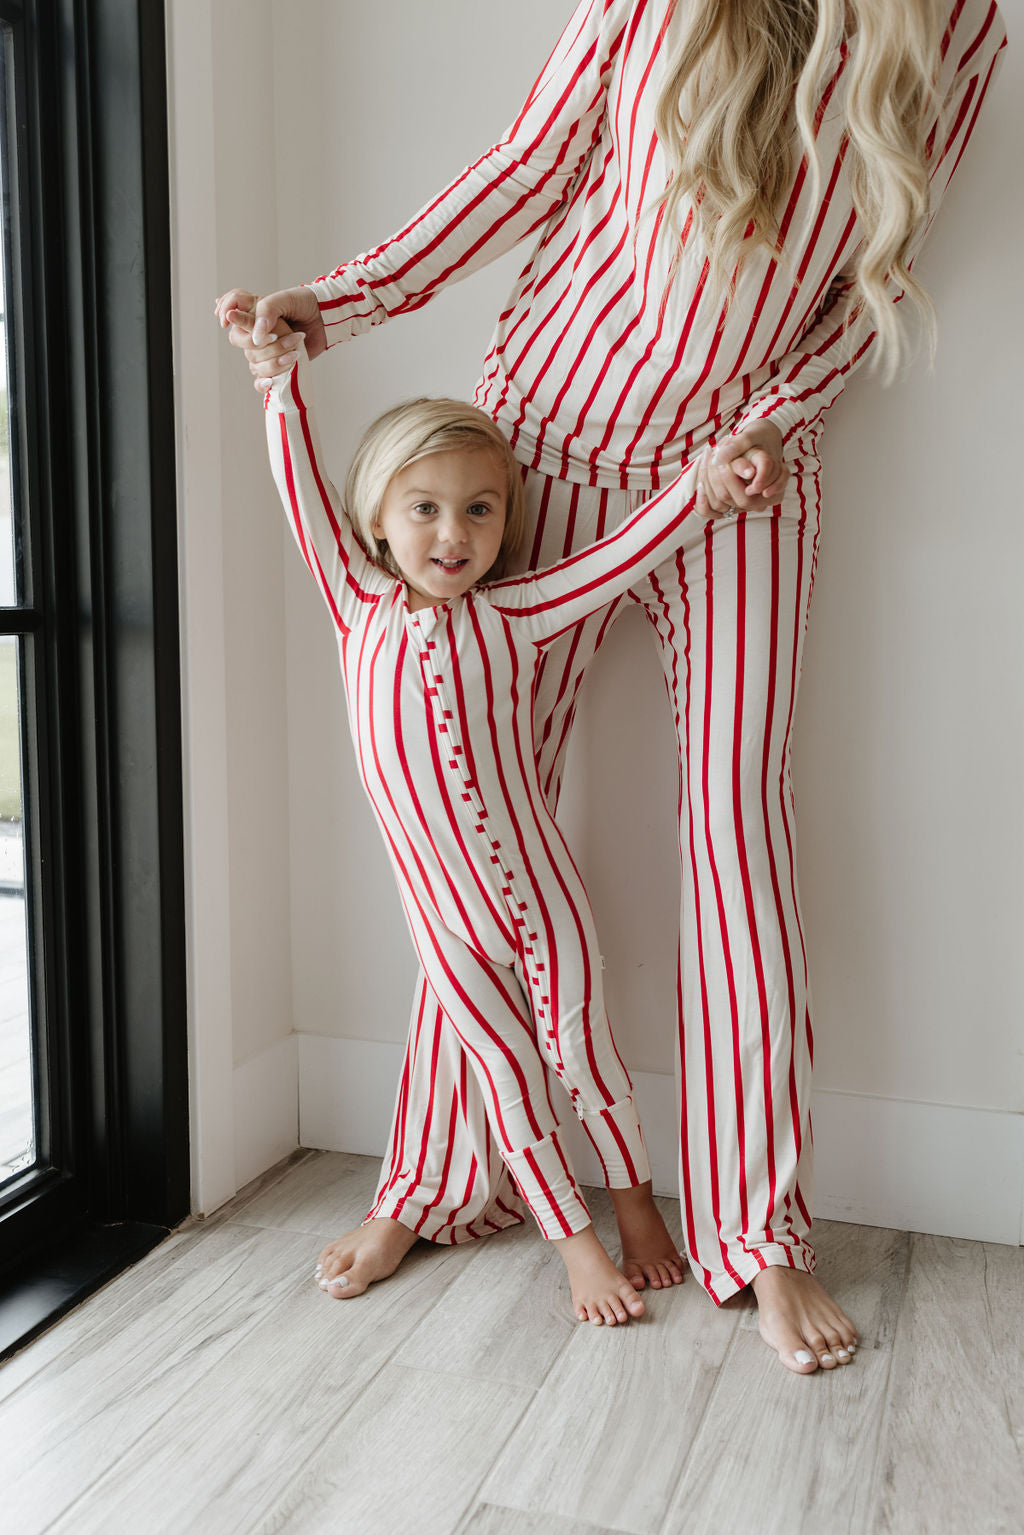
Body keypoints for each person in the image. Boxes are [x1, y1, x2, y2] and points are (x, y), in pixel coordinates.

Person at [216, 0, 1005, 1373]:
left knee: (737, 827)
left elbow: (872, 278)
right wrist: (344, 302)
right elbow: (528, 164)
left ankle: (758, 1235)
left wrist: (771, 423)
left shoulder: (964, 23)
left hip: (747, 480)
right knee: (477, 822)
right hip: (549, 437)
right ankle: (435, 1175)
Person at [241, 324, 736, 1323]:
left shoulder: (516, 612)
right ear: (378, 519)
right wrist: (275, 381)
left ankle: (638, 1204)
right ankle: (576, 1248)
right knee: (509, 1075)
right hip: (445, 921)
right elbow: (298, 492)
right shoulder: (355, 603)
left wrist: (706, 488)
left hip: (546, 896)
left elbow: (618, 555)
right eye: (422, 509)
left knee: (584, 1052)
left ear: (506, 518)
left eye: (478, 508)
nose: (451, 533)